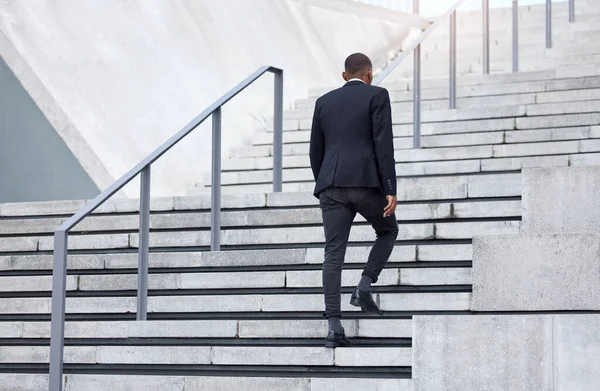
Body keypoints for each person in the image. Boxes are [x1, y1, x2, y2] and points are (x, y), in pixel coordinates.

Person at [309, 53, 399, 348]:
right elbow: (383, 143)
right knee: (387, 231)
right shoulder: (377, 95)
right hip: (366, 183)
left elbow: (315, 151)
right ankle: (363, 286)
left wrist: (325, 183)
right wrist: (390, 187)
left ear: (344, 75)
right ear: (369, 73)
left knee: (333, 254)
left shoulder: (324, 102)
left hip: (332, 186)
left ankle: (334, 328)